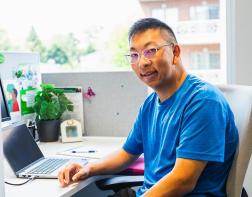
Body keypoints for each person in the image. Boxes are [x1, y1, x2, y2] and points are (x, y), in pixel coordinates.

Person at [58, 18, 238, 197]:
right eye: (134, 55)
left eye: (150, 51)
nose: (142, 63)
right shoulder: (150, 104)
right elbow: (126, 154)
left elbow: (183, 180)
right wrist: (87, 169)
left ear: (175, 52)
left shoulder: (203, 102)